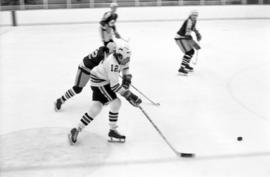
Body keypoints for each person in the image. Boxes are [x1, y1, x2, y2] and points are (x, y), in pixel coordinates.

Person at [68, 40, 141, 144]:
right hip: (100, 81)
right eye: (123, 58)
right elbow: (115, 86)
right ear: (118, 54)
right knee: (116, 103)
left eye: (127, 58)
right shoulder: (113, 64)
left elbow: (126, 69)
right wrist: (130, 96)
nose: (125, 60)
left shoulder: (124, 57)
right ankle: (112, 131)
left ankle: (76, 129)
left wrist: (126, 83)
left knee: (97, 107)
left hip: (103, 79)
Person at [54, 42, 116, 111]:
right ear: (108, 50)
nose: (113, 54)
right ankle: (60, 100)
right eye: (113, 52)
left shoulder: (104, 50)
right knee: (77, 89)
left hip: (92, 69)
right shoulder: (102, 57)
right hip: (84, 69)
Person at [175, 10, 202, 75]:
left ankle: (186, 65)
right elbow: (188, 28)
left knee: (192, 51)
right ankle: (181, 69)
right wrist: (188, 36)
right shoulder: (188, 21)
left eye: (196, 15)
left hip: (184, 37)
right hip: (180, 38)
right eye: (193, 15)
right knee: (189, 52)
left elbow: (193, 28)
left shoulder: (194, 21)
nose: (195, 17)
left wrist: (197, 33)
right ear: (190, 15)